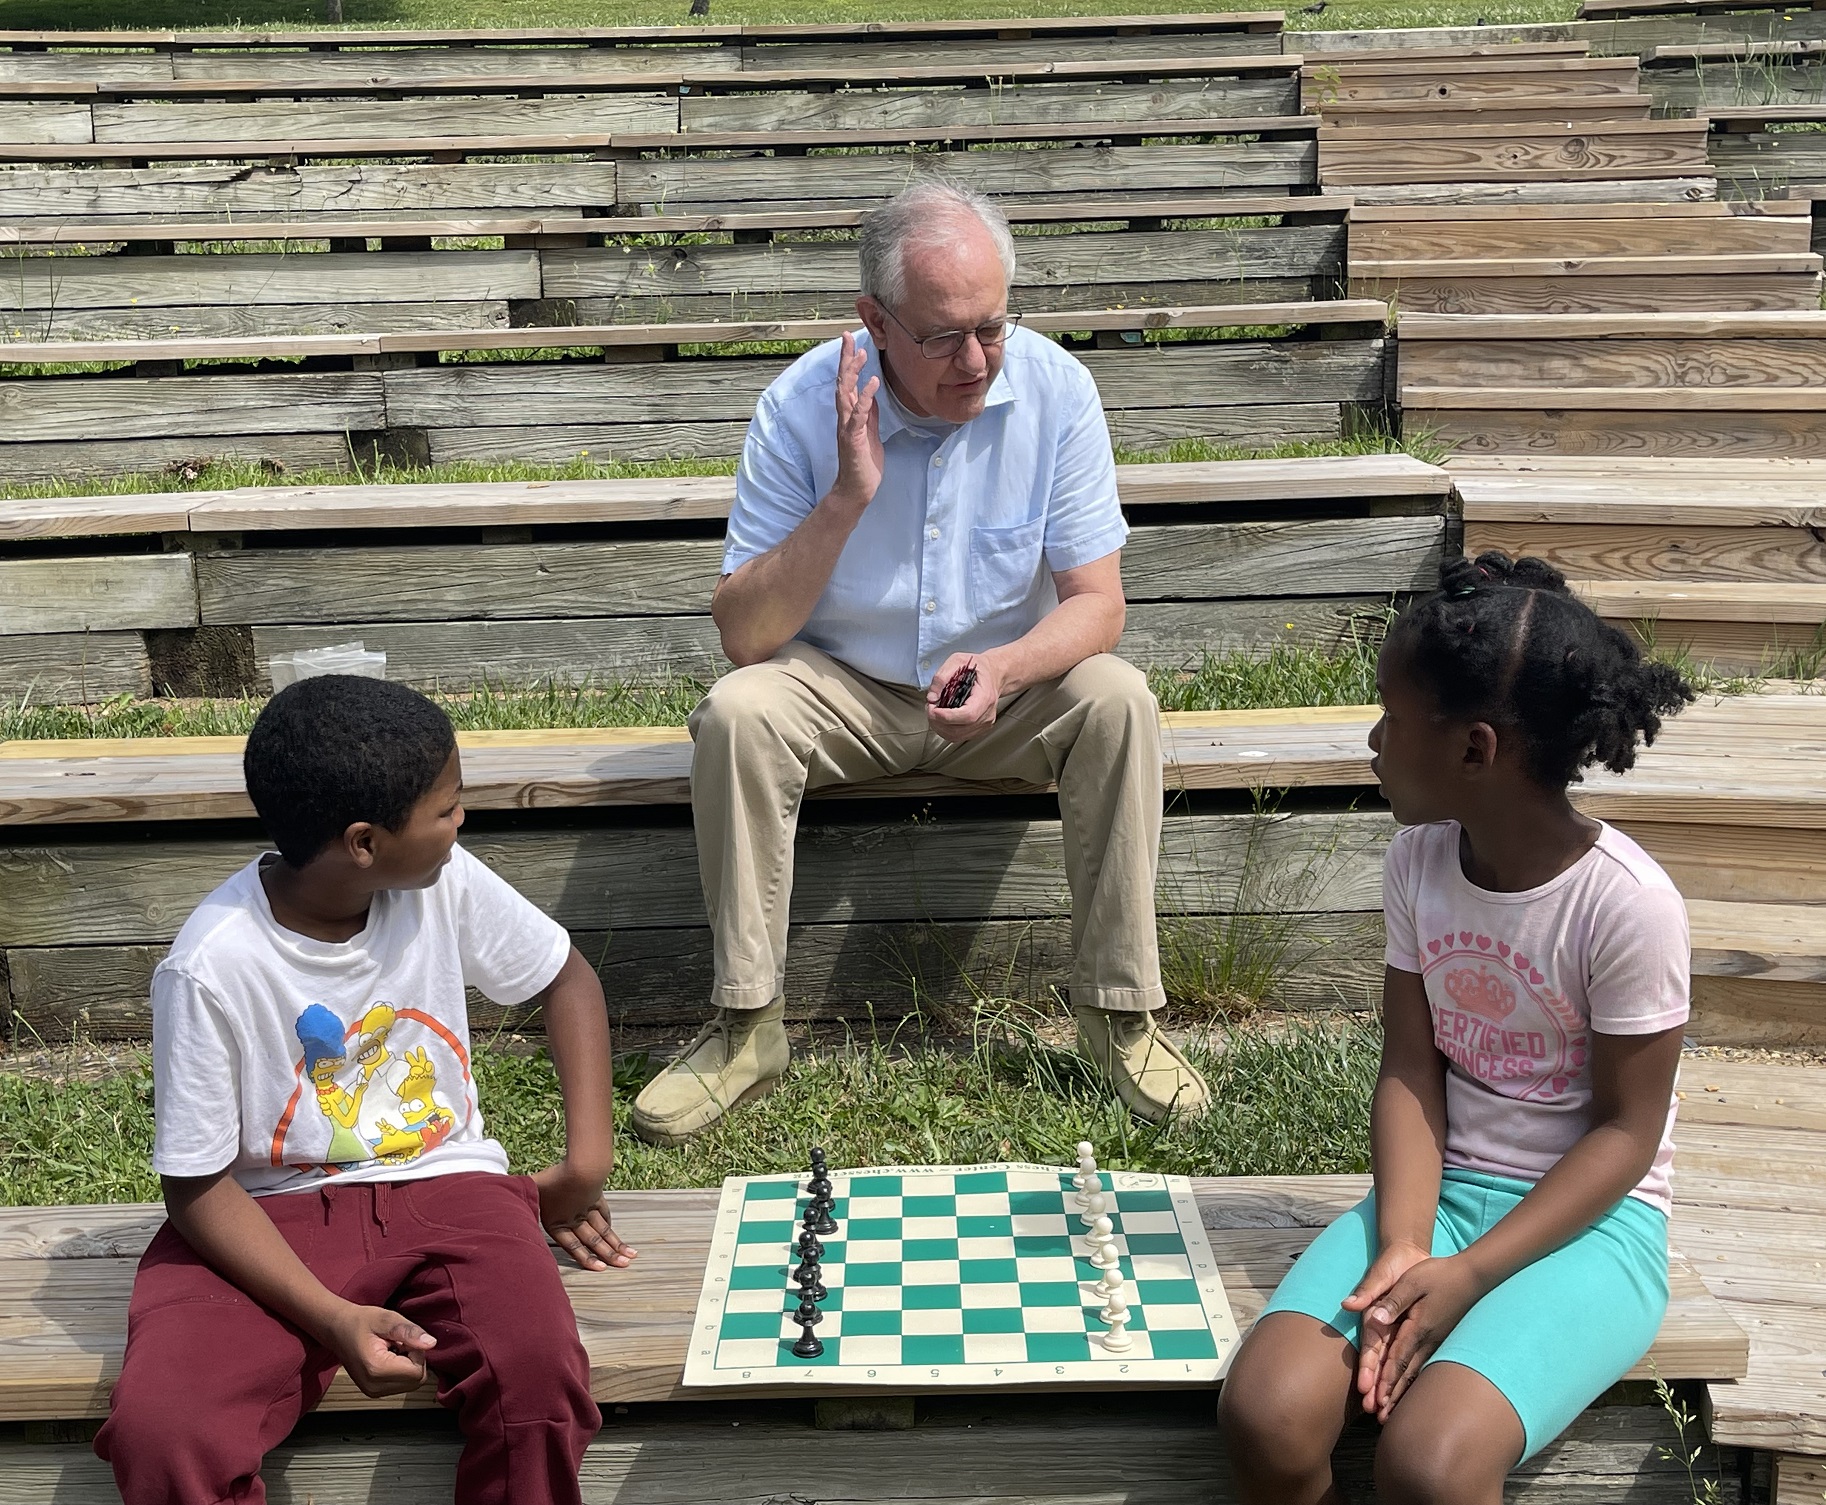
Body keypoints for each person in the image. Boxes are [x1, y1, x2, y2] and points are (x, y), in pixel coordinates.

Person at [629, 177, 1209, 1145]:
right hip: (839, 687)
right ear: (874, 321)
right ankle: (746, 1028)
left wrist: (1009, 667)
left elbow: (1097, 605)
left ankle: (1118, 1015)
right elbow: (745, 635)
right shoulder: (800, 402)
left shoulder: (1056, 389)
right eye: (943, 336)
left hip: (1005, 683)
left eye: (992, 327)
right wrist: (847, 496)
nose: (975, 360)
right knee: (737, 710)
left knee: (1117, 699)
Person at [1217, 553, 1696, 1505]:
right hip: (1437, 1197)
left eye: (1394, 719)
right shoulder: (1418, 862)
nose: (1374, 738)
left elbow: (1626, 1133)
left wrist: (1469, 1273)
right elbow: (1409, 1065)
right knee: (1266, 1414)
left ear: (1476, 750)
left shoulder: (1628, 905)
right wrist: (1404, 1250)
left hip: (1593, 1227)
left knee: (1430, 1466)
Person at [95, 675, 635, 1505]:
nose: (462, 823)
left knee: (537, 1379)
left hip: (450, 1187)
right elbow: (195, 1185)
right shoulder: (209, 963)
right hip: (268, 1215)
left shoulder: (442, 881)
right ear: (363, 842)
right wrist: (330, 1315)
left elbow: (566, 978)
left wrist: (584, 1167)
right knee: (164, 1429)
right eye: (448, 808)